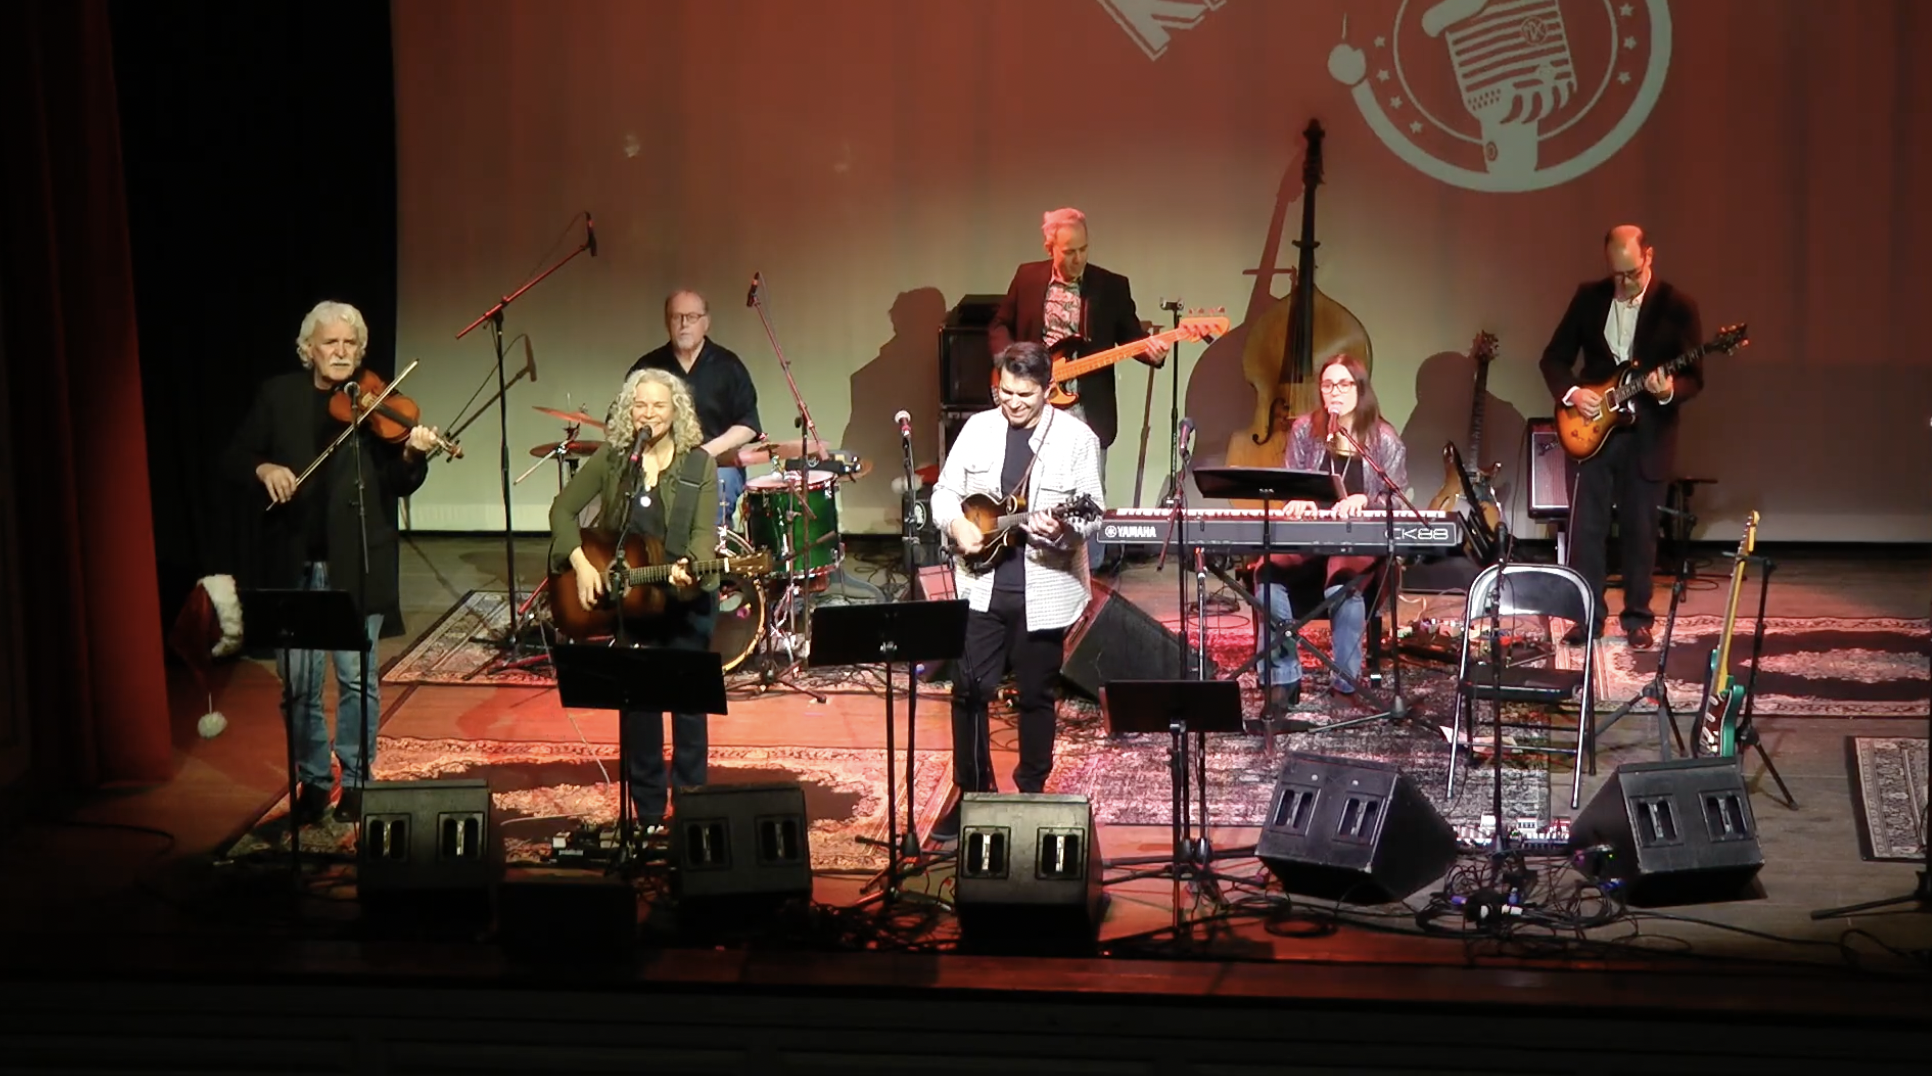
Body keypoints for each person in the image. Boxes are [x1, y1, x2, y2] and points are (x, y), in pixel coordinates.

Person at [222, 300, 442, 825]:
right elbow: (235, 457)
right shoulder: (278, 396)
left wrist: (413, 455)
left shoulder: (379, 402)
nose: (341, 352)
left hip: (358, 561)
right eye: (331, 343)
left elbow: (396, 483)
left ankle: (360, 781)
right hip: (294, 560)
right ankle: (315, 782)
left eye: (350, 344)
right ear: (309, 350)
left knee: (357, 679)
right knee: (297, 683)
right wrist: (265, 467)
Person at [928, 343, 1105, 842]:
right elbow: (944, 493)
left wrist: (1061, 532)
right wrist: (957, 523)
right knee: (968, 691)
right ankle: (971, 794)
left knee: (1035, 694)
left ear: (1047, 390)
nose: (1013, 402)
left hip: (1043, 588)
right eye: (1005, 392)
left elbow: (1091, 514)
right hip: (980, 584)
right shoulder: (978, 428)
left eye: (1025, 394)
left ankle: (1031, 793)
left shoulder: (1076, 439)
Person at [549, 367, 719, 836]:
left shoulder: (698, 465)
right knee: (639, 707)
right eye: (640, 406)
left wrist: (691, 567)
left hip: (683, 601)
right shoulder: (615, 459)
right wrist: (583, 564)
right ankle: (646, 813)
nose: (649, 414)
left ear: (675, 410)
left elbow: (704, 537)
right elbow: (562, 510)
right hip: (633, 604)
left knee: (688, 708)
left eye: (658, 406)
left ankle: (690, 810)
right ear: (629, 412)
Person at [1538, 225, 1703, 649]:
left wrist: (1669, 391)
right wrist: (1575, 394)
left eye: (1631, 273)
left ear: (1649, 255)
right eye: (1617, 275)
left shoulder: (1677, 306)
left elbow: (1694, 379)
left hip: (1648, 435)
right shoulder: (1588, 297)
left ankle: (1637, 619)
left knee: (1640, 528)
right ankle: (1587, 616)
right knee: (1587, 529)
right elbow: (1554, 358)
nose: (1625, 283)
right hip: (1592, 431)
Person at [988, 208, 1167, 569]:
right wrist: (1011, 364)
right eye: (1069, 251)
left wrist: (1154, 352)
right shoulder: (1027, 277)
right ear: (1050, 246)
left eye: (1084, 249)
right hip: (1036, 402)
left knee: (1088, 493)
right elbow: (999, 324)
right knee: (1029, 484)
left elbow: (1131, 338)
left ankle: (1091, 575)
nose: (1079, 258)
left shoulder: (1111, 285)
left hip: (1087, 406)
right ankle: (1026, 564)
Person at [1256, 353, 1408, 717]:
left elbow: (1397, 502)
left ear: (1360, 389)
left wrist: (1366, 499)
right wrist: (1299, 500)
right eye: (1327, 385)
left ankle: (1345, 683)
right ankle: (1282, 677)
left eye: (1343, 384)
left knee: (1344, 581)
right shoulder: (1305, 430)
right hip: (1309, 537)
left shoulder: (1384, 439)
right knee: (1266, 573)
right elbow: (1290, 483)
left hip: (1358, 541)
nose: (1334, 393)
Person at [629, 289, 762, 527]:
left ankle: (709, 561)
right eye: (676, 317)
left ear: (706, 322)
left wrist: (706, 453)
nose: (683, 324)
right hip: (659, 465)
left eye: (691, 317)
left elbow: (748, 424)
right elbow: (620, 417)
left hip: (716, 464)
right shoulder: (649, 367)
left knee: (709, 512)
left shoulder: (728, 366)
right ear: (666, 322)